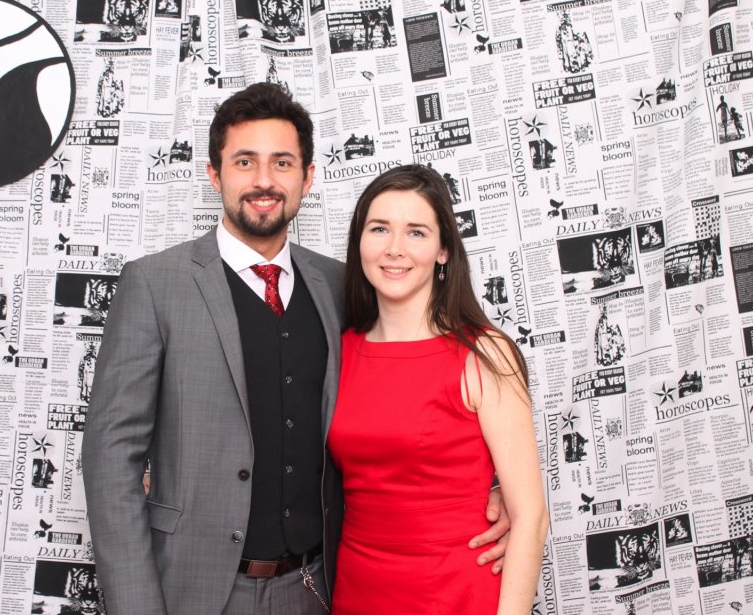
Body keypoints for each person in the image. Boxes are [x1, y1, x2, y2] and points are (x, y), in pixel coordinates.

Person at [82, 85, 511, 615]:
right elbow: (110, 458)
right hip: (192, 589)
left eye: (282, 163)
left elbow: (409, 387)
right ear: (215, 174)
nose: (264, 180)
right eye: (245, 162)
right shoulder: (154, 284)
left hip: (318, 588)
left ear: (307, 177)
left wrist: (489, 490)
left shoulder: (342, 286)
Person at [328, 165, 548, 614]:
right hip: (358, 591)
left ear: (443, 249)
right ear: (359, 241)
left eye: (416, 232)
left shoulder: (484, 354)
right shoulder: (338, 352)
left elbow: (530, 517)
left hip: (455, 592)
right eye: (379, 229)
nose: (394, 248)